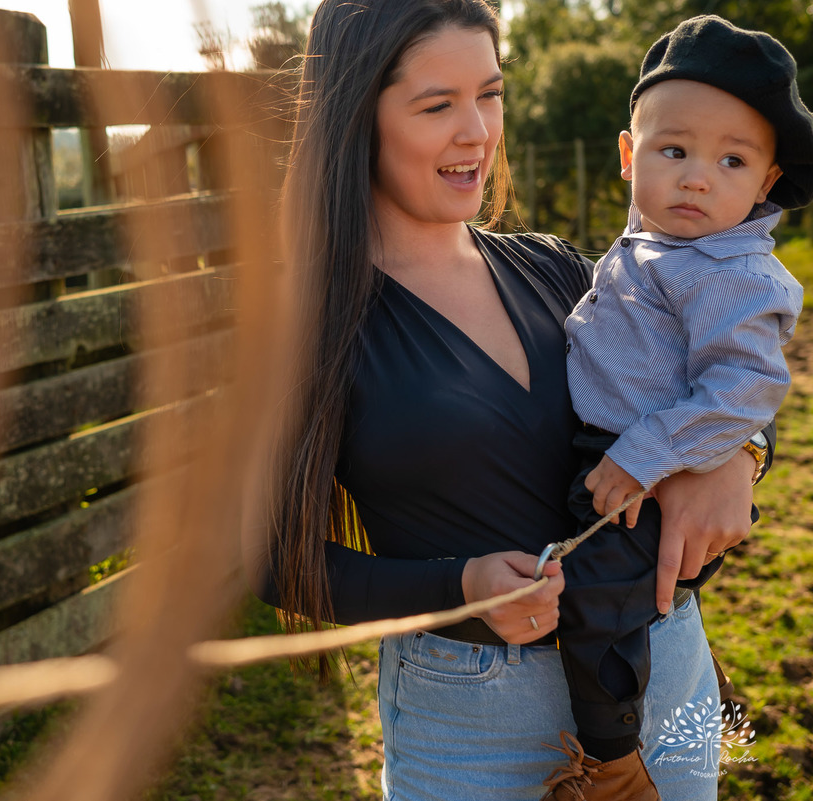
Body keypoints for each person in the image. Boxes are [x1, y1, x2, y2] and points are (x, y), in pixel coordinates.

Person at [247, 2, 771, 799]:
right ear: (358, 116)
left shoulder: (563, 272)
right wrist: (457, 585)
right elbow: (266, 558)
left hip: (665, 681)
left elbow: (714, 357)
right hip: (470, 722)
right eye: (437, 105)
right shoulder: (311, 328)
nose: (478, 132)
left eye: (488, 94)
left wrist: (742, 452)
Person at [551, 14, 812, 796]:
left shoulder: (733, 273)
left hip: (648, 470)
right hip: (614, 456)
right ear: (630, 157)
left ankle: (613, 763)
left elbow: (746, 390)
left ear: (766, 184)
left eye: (732, 160)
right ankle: (695, 700)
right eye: (675, 151)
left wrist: (646, 455)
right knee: (610, 593)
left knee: (595, 601)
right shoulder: (650, 245)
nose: (698, 177)